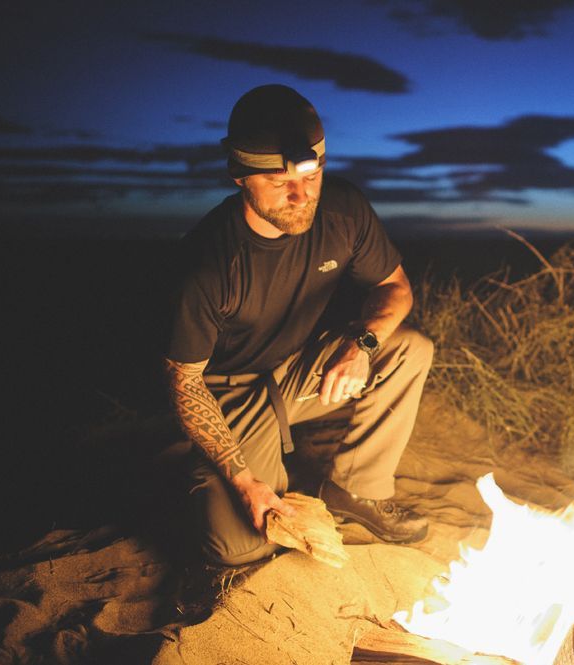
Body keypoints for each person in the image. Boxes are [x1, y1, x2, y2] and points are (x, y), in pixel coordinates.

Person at [164, 84, 433, 567]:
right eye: (277, 181)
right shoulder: (207, 264)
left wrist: (362, 345)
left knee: (408, 348)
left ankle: (356, 489)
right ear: (240, 177)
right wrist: (245, 482)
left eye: (312, 175)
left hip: (291, 373)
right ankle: (190, 475)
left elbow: (396, 287)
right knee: (241, 545)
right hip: (225, 394)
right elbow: (184, 383)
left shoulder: (343, 211)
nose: (300, 194)